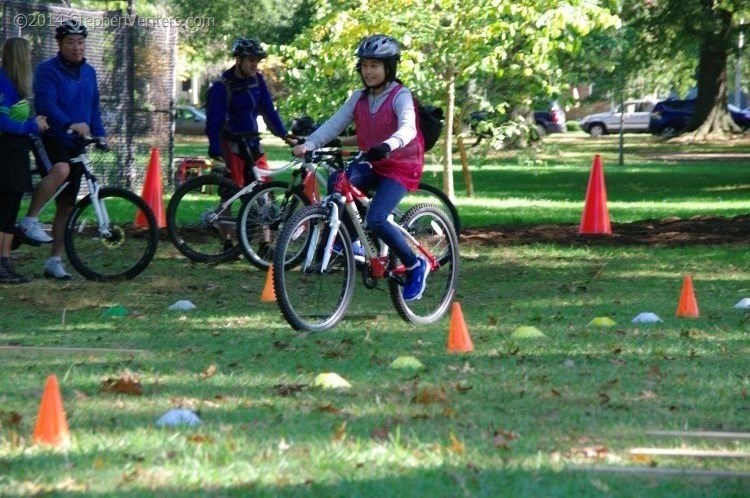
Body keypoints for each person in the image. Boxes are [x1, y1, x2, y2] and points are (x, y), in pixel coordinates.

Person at [292, 34, 429, 301]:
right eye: (365, 65)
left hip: (401, 165)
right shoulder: (359, 98)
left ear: (389, 67)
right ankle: (352, 241)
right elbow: (334, 124)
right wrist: (309, 143)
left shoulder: (401, 96)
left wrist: (389, 145)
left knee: (376, 218)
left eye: (375, 65)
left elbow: (409, 128)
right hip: (373, 161)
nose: (369, 71)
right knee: (337, 181)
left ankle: (414, 265)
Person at [17, 19, 107, 280]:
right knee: (61, 169)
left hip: (77, 141)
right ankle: (30, 219)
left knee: (67, 205)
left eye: (80, 42)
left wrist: (100, 133)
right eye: (70, 42)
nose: (77, 47)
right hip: (52, 135)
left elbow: (94, 108)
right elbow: (47, 104)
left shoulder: (89, 72)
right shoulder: (47, 70)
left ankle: (54, 261)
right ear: (59, 43)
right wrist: (70, 124)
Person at [205, 37, 292, 188]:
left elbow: (268, 110)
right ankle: (223, 212)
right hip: (233, 146)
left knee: (264, 188)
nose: (255, 65)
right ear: (238, 60)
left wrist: (284, 135)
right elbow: (214, 122)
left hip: (253, 143)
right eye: (251, 60)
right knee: (231, 191)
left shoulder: (257, 80)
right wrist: (215, 151)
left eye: (257, 61)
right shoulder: (222, 86)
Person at [0, 37, 49, 283]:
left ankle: (5, 261)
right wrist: (32, 124)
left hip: (17, 152)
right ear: (19, 57)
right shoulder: (3, 83)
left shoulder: (16, 85)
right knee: (6, 209)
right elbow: (3, 121)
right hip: (6, 152)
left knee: (11, 207)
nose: (31, 59)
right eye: (28, 55)